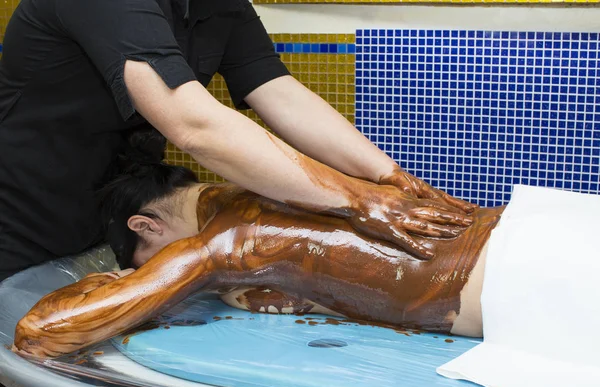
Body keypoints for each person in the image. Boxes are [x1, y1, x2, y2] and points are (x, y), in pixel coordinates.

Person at [0, 0, 475, 285]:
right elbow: (194, 125)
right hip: (20, 218)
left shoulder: (220, 5)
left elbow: (281, 94)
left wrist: (386, 176)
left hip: (109, 213)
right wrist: (355, 199)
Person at [12, 158, 502, 359]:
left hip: (519, 277)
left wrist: (114, 284)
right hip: (521, 223)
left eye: (145, 260)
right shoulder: (288, 181)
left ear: (145, 226)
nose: (154, 271)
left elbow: (39, 333)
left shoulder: (230, 239)